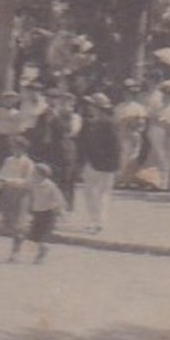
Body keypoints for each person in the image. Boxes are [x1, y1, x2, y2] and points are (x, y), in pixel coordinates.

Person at [78, 92, 119, 234]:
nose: (89, 108)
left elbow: (115, 147)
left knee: (102, 194)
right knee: (89, 192)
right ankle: (92, 220)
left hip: (105, 164)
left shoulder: (110, 124)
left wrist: (114, 166)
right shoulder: (88, 123)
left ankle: (99, 222)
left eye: (92, 105)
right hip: (90, 163)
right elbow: (82, 144)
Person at [18, 159, 67, 263]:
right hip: (37, 212)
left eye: (35, 173)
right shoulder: (31, 182)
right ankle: (39, 253)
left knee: (40, 236)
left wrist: (61, 212)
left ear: (42, 175)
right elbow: (22, 184)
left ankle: (42, 253)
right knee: (32, 237)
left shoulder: (50, 186)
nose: (33, 174)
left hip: (48, 214)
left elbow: (58, 199)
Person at [0, 135, 36, 245]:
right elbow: (1, 174)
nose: (13, 150)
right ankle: (21, 237)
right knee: (8, 220)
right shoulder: (8, 160)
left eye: (16, 147)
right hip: (7, 193)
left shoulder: (28, 163)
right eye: (12, 147)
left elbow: (28, 181)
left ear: (22, 148)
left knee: (18, 222)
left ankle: (17, 247)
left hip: (20, 194)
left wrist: (11, 181)